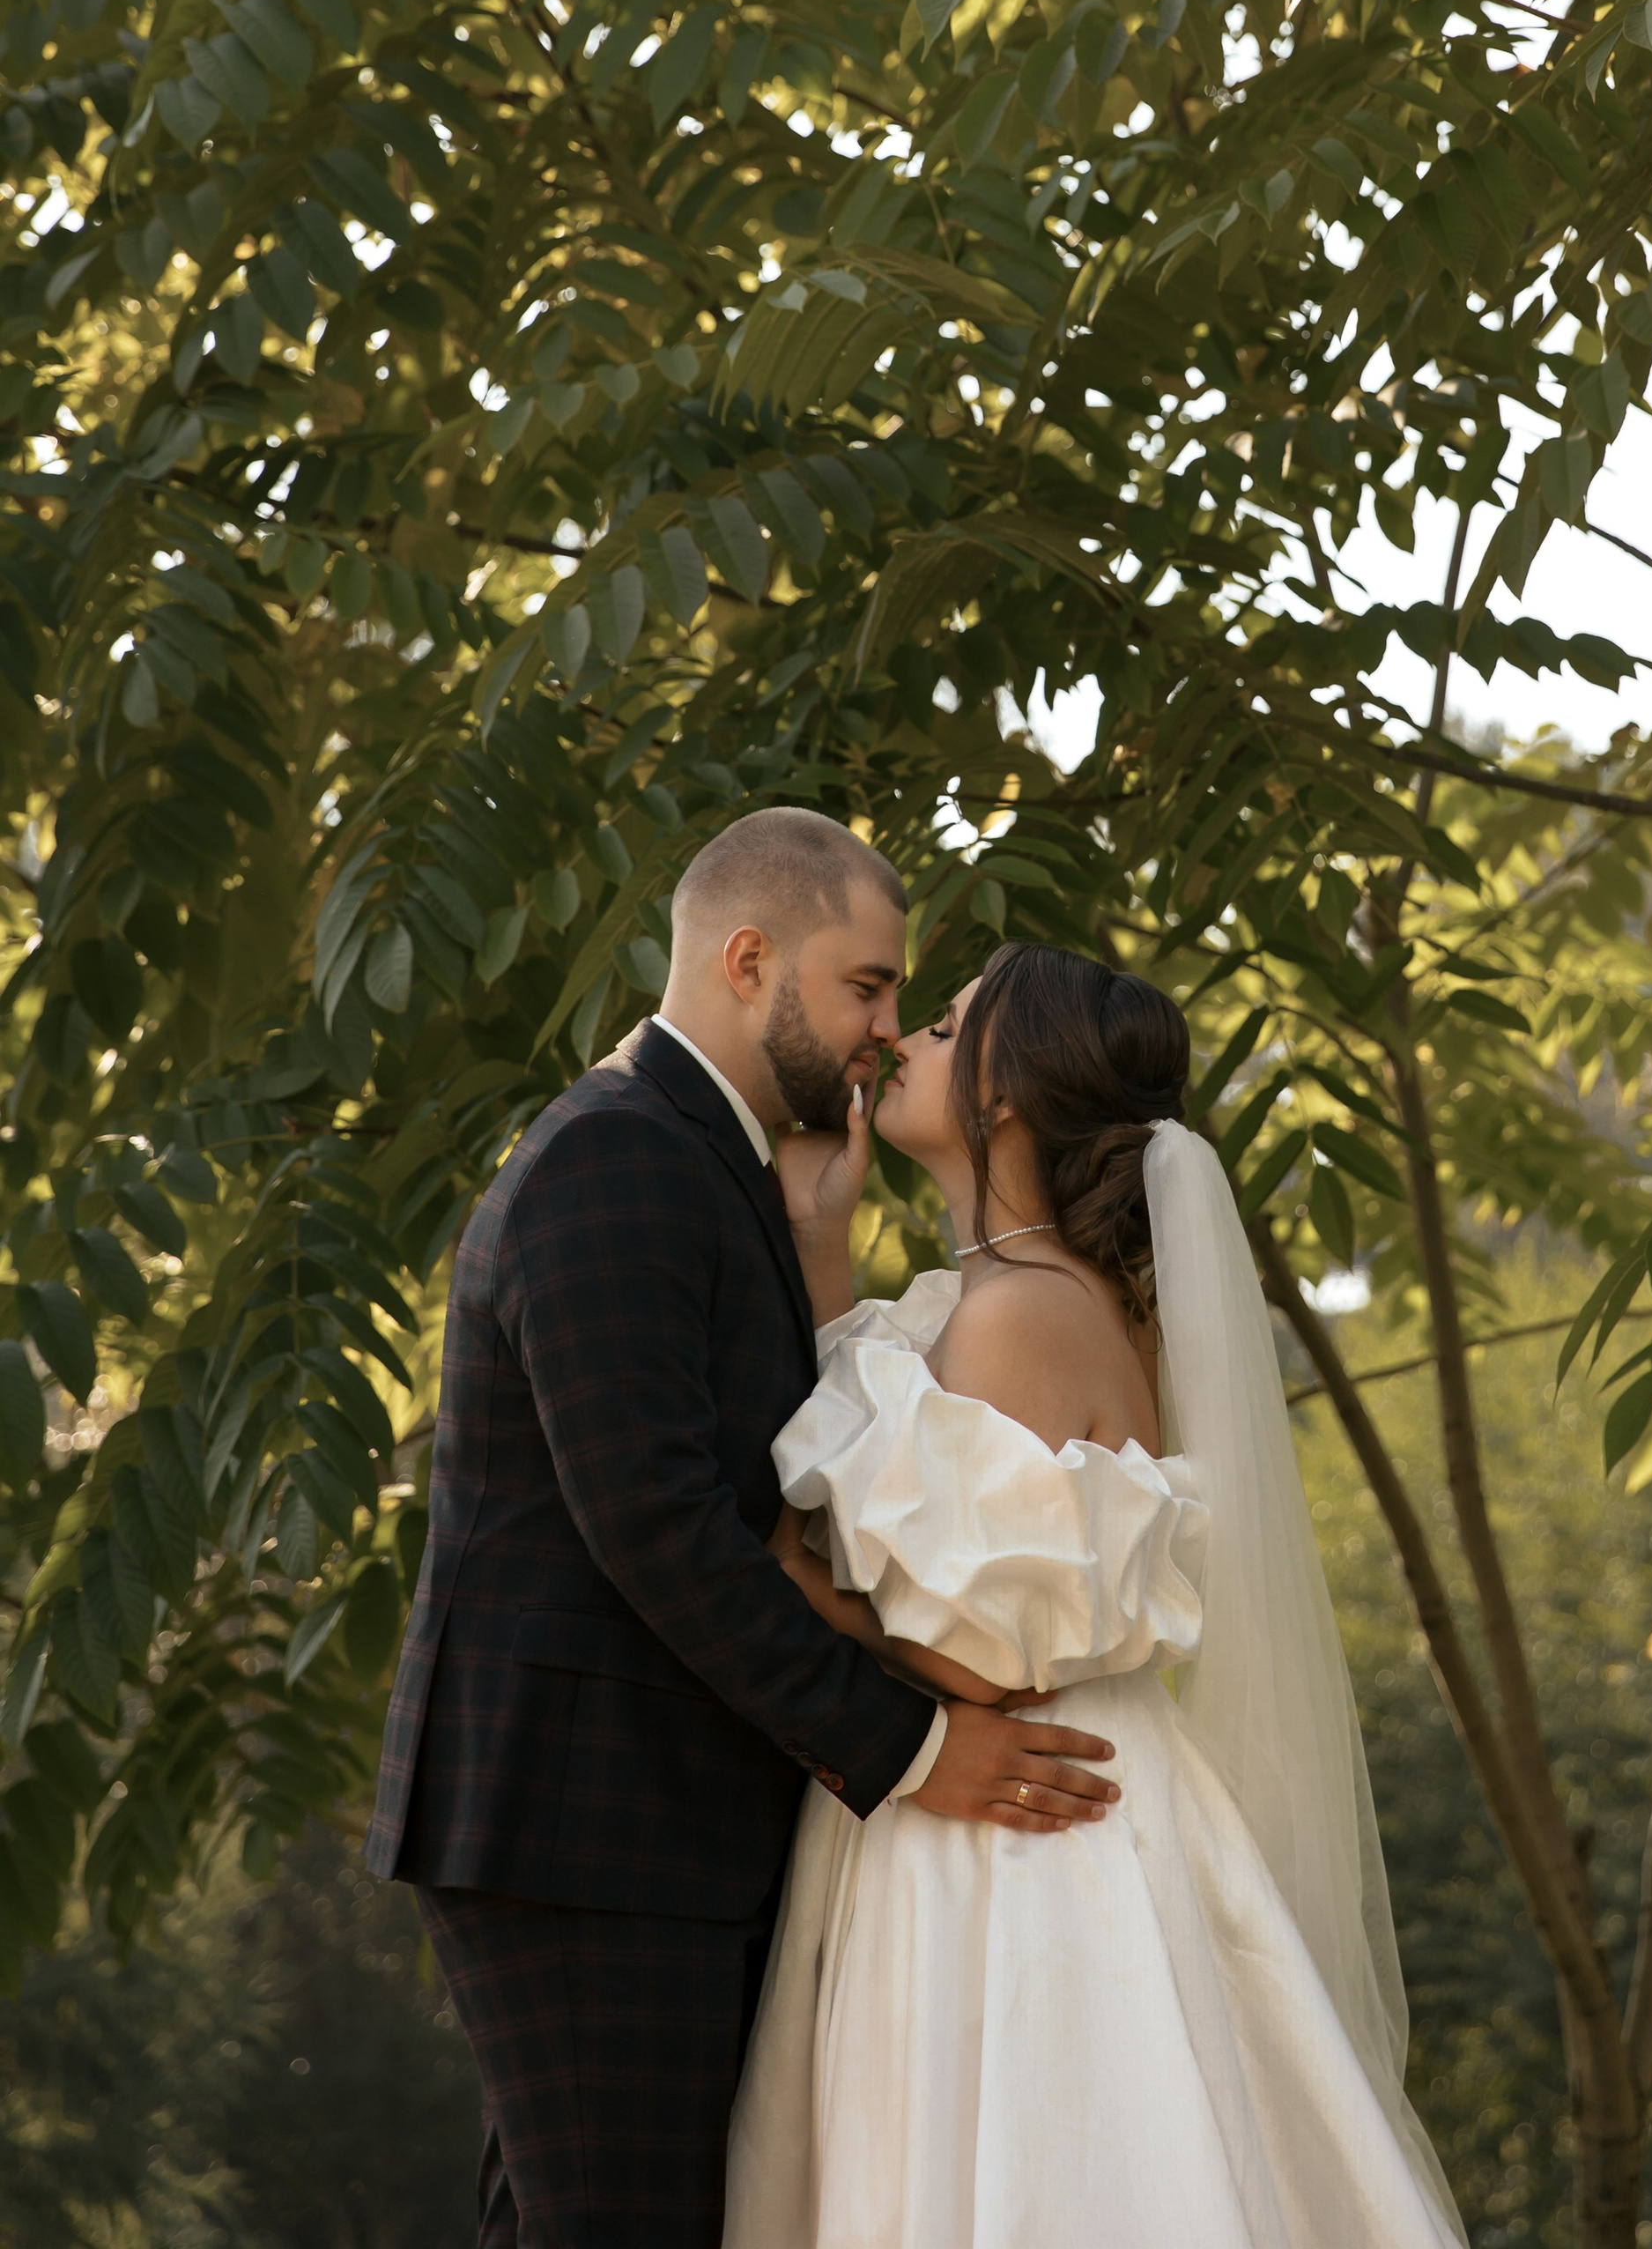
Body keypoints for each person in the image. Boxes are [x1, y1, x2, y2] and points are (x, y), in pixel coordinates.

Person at [365, 810, 1119, 2248]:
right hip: (585, 1828)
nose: (886, 1034)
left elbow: (781, 1489)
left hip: (647, 1825)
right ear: (748, 957)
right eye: (867, 989)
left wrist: (819, 1262)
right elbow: (656, 1526)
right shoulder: (614, 1158)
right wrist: (910, 1749)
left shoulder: (709, 1167)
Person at [729, 937, 1466, 2249]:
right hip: (1053, 1796)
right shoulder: (1022, 1295)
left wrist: (792, 1579)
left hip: (1017, 1829)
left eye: (948, 1027)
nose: (906, 1039)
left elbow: (981, 1654)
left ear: (1005, 1093)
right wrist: (820, 1241)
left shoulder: (1020, 1311)